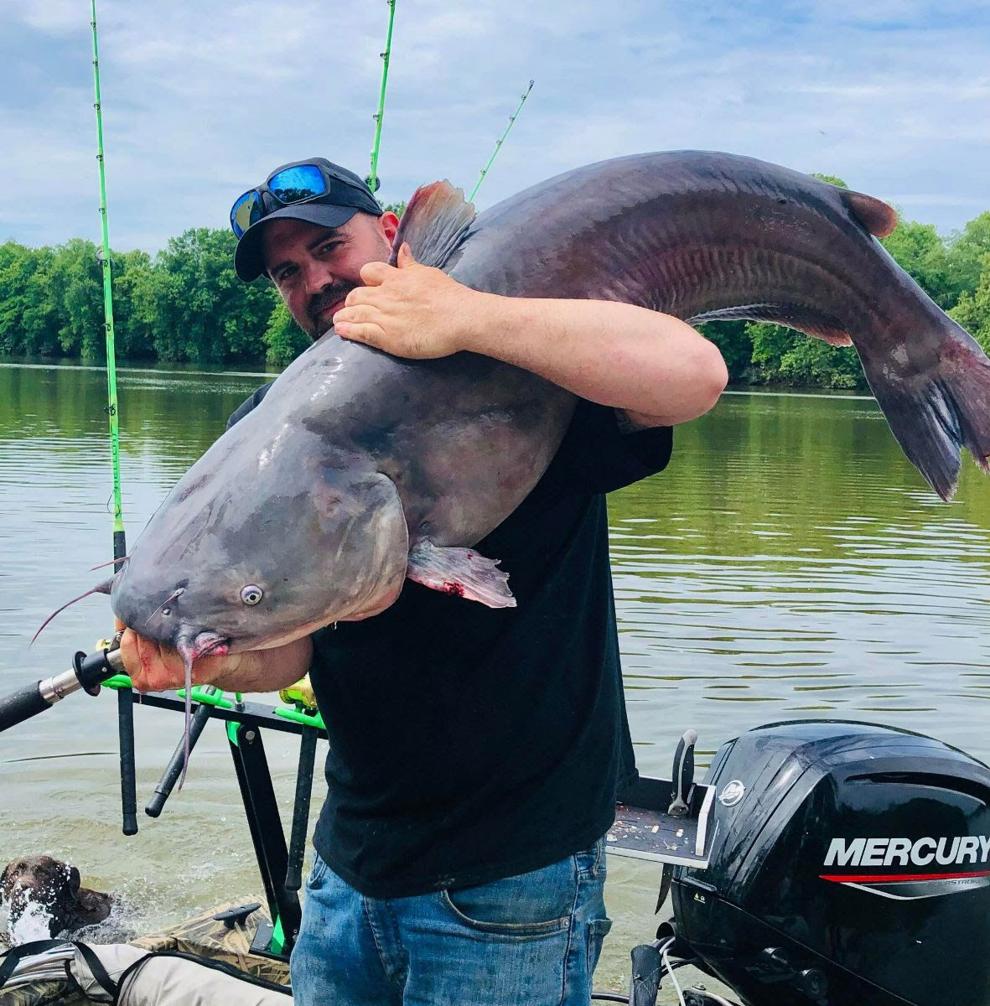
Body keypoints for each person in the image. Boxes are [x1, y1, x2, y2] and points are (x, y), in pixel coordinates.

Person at [120, 157, 727, 1006]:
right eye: (288, 272)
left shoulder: (526, 364)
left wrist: (468, 315)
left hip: (513, 875)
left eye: (331, 246)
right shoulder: (268, 428)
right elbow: (288, 650)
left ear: (394, 234)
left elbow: (695, 375)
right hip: (350, 864)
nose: (314, 280)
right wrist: (215, 655)